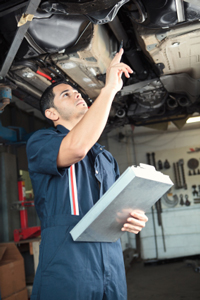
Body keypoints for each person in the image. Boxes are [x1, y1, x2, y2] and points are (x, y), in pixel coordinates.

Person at [26, 48, 148, 300]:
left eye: (78, 92)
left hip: (111, 266)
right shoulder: (41, 142)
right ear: (52, 114)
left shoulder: (105, 157)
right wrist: (109, 90)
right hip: (67, 267)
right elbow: (76, 148)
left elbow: (114, 208)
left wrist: (132, 218)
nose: (78, 95)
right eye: (66, 95)